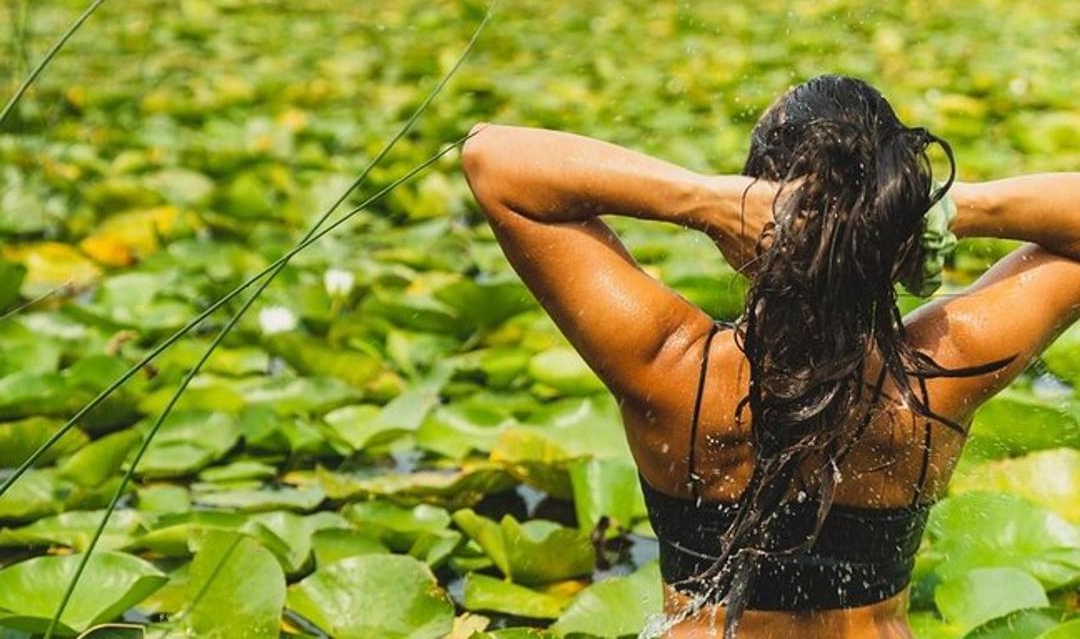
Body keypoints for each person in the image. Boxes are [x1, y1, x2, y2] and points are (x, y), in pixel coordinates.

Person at [459, 74, 1080, 639]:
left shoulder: (669, 368)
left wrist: (702, 200)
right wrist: (943, 209)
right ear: (893, 233)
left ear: (749, 220)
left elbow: (494, 160)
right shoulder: (933, 380)